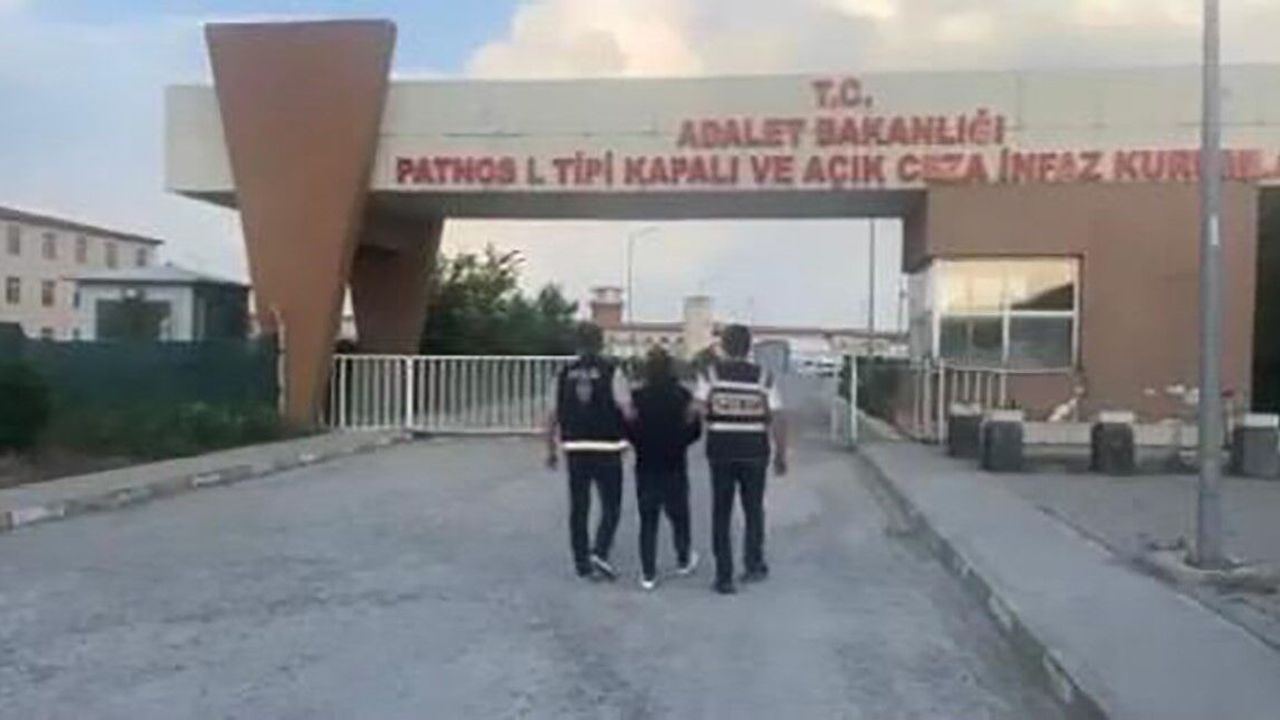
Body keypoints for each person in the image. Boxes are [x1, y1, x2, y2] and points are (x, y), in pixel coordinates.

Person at [695, 324, 788, 595]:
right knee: (754, 510)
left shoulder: (710, 375)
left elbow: (696, 410)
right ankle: (753, 564)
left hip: (721, 451)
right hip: (754, 451)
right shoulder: (764, 378)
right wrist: (780, 454)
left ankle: (724, 576)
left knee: (721, 513)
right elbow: (778, 417)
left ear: (724, 346)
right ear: (748, 349)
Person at [546, 322, 634, 581]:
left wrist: (550, 449)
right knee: (611, 505)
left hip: (575, 446)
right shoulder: (613, 371)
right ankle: (600, 550)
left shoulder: (563, 373)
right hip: (608, 447)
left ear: (577, 343)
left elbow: (551, 415)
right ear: (601, 342)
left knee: (579, 507)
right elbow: (626, 410)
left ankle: (581, 561)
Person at [626, 347, 702, 591]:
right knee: (679, 515)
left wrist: (639, 442)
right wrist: (681, 441)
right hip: (674, 463)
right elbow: (695, 430)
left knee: (648, 520)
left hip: (646, 465)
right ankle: (683, 559)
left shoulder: (637, 397)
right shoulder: (682, 395)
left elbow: (628, 429)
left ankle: (648, 573)